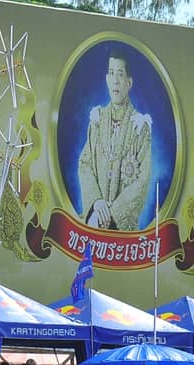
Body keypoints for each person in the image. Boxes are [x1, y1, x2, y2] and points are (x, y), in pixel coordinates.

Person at [76, 49, 153, 231]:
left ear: (129, 82)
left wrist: (113, 213)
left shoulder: (140, 127)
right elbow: (85, 164)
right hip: (95, 217)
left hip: (122, 232)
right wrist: (97, 202)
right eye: (111, 73)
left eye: (120, 74)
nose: (115, 80)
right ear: (106, 79)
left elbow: (143, 179)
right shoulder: (97, 119)